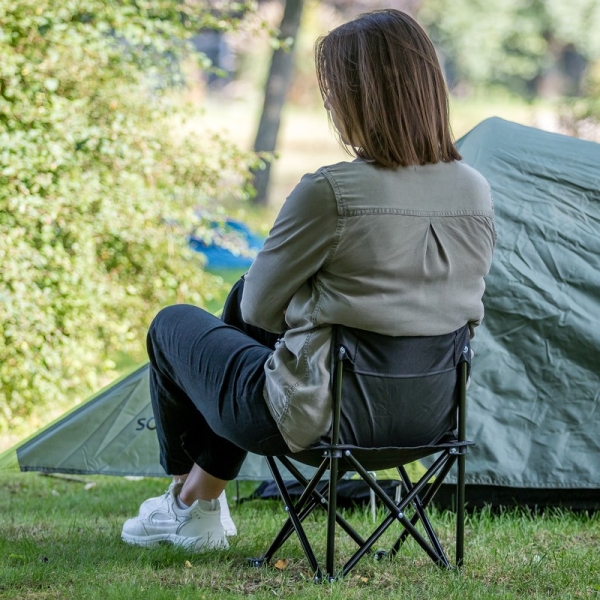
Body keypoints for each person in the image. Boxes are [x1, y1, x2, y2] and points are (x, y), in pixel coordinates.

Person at [121, 8, 496, 552]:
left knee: (173, 324)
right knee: (250, 302)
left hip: (317, 420)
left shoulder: (331, 192)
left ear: (356, 98)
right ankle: (198, 501)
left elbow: (256, 312)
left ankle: (188, 500)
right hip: (429, 419)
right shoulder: (476, 190)